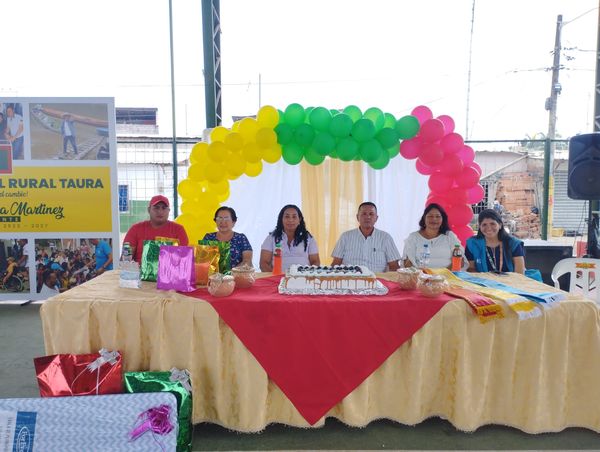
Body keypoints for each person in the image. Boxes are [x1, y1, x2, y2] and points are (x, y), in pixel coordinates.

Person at [331, 202, 401, 272]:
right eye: (364, 214)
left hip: (377, 278)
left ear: (376, 218)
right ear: (357, 217)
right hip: (351, 277)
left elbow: (394, 266)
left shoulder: (385, 238)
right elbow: (336, 264)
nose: (368, 217)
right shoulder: (345, 237)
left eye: (371, 214)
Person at [124, 195, 189, 262]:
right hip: (139, 268)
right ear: (149, 210)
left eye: (164, 208)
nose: (160, 212)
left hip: (171, 268)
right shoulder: (136, 229)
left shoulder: (178, 230)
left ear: (169, 211)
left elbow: (184, 261)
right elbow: (125, 261)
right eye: (156, 208)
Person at [403, 203, 465, 269]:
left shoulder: (450, 236)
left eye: (438, 216)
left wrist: (443, 273)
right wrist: (421, 273)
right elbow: (407, 262)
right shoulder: (413, 237)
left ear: (443, 219)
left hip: (446, 274)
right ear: (424, 218)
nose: (434, 219)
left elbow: (461, 261)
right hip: (420, 274)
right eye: (430, 216)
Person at [260, 204, 320, 272]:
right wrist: (275, 277)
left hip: (303, 277)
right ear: (281, 219)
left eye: (294, 217)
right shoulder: (271, 238)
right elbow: (263, 264)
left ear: (299, 220)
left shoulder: (309, 238)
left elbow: (315, 262)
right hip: (278, 278)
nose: (290, 220)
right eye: (287, 216)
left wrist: (308, 275)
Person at [465, 209, 525, 274]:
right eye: (484, 224)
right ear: (480, 227)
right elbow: (471, 269)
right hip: (482, 280)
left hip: (511, 280)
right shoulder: (472, 244)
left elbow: (520, 273)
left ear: (500, 225)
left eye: (492, 224)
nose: (489, 228)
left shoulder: (513, 243)